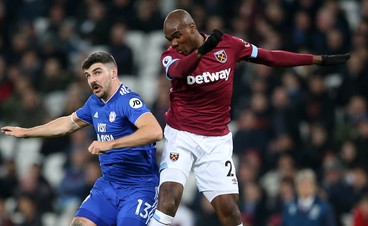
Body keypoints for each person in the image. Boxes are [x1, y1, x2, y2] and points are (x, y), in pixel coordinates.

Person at [147, 9, 350, 226]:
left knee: (230, 211)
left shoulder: (229, 45)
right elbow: (178, 72)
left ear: (192, 28)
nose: (174, 43)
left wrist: (317, 60)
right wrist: (201, 52)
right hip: (182, 135)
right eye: (170, 39)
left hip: (216, 141)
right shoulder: (170, 56)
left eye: (177, 36)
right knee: (169, 198)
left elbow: (269, 57)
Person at [1, 51, 163, 226]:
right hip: (108, 186)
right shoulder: (95, 102)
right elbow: (67, 124)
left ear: (113, 72)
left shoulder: (128, 100)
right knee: (79, 224)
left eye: (97, 72)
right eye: (88, 75)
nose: (92, 80)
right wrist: (26, 132)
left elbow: (154, 131)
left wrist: (111, 144)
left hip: (138, 188)